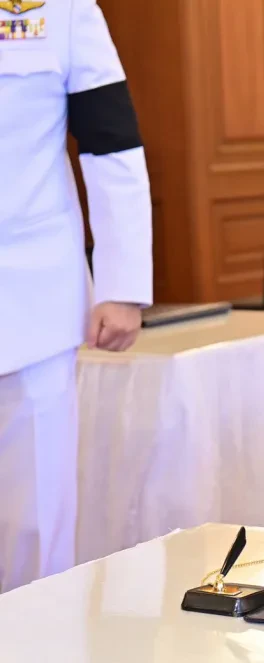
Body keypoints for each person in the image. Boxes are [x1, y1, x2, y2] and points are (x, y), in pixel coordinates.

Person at [0, 0, 152, 591]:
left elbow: (111, 143)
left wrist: (121, 285)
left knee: (35, 517)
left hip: (29, 297)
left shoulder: (60, 8)